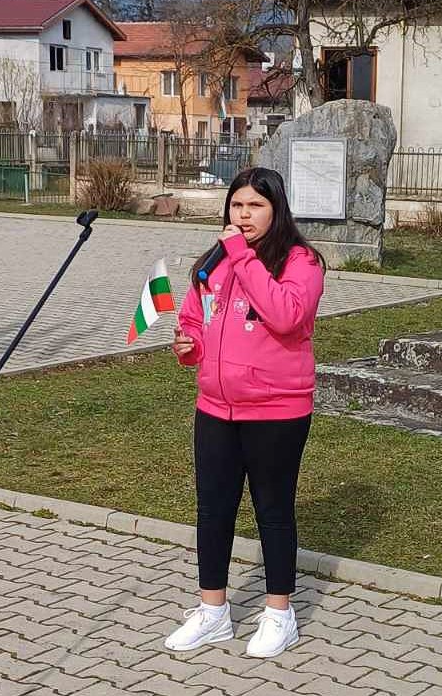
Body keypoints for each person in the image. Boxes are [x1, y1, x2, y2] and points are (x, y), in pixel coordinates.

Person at [164, 166, 325, 658]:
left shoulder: (301, 261)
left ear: (277, 210)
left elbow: (286, 314)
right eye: (237, 205)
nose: (244, 214)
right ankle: (212, 612)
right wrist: (189, 345)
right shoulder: (213, 263)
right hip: (216, 406)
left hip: (276, 409)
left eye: (255, 205)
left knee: (272, 510)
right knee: (212, 509)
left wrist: (241, 255)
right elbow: (195, 317)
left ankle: (279, 614)